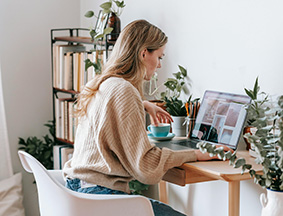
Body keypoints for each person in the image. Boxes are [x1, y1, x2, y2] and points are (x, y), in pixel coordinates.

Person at [63, 19, 231, 216]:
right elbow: (146, 167)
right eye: (159, 57)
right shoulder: (124, 91)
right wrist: (197, 154)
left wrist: (142, 105)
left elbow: (107, 112)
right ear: (144, 53)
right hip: (100, 196)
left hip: (78, 190)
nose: (159, 65)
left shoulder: (103, 82)